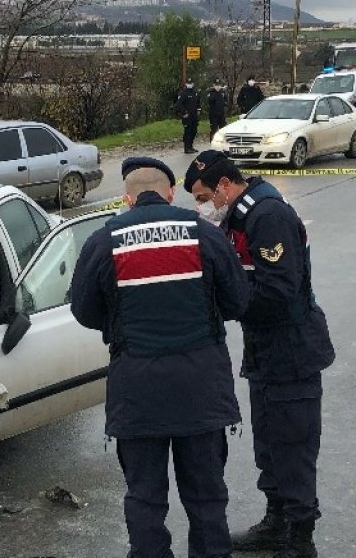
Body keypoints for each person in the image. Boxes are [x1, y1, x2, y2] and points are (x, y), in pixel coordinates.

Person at [71, 156, 250, 558]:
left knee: (146, 501)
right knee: (206, 499)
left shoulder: (104, 241)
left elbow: (83, 310)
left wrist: (120, 327)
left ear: (127, 199)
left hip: (138, 395)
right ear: (171, 194)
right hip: (202, 392)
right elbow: (238, 301)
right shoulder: (204, 234)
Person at [185, 151, 336, 558]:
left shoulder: (265, 215)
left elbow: (278, 290)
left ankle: (300, 537)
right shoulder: (238, 216)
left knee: (294, 444)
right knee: (268, 443)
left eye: (203, 197)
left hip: (292, 348)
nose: (203, 206)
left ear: (222, 186)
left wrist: (228, 304)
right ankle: (276, 521)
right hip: (264, 348)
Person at [175, 80, 202, 154]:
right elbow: (179, 104)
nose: (190, 85)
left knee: (194, 131)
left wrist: (199, 110)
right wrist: (184, 112)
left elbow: (198, 102)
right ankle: (186, 148)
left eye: (191, 83)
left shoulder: (195, 93)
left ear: (193, 84)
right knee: (187, 132)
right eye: (188, 84)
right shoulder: (183, 93)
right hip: (187, 117)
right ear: (186, 84)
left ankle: (190, 146)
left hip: (194, 116)